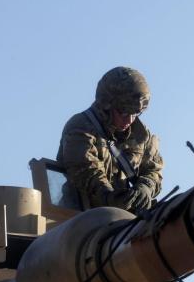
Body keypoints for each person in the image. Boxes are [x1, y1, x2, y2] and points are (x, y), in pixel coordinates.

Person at [57, 66, 164, 213]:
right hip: (80, 219)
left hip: (125, 220)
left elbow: (153, 170)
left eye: (136, 113)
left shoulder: (141, 135)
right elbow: (86, 171)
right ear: (106, 105)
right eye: (124, 112)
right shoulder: (81, 127)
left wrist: (146, 187)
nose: (130, 120)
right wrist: (110, 198)